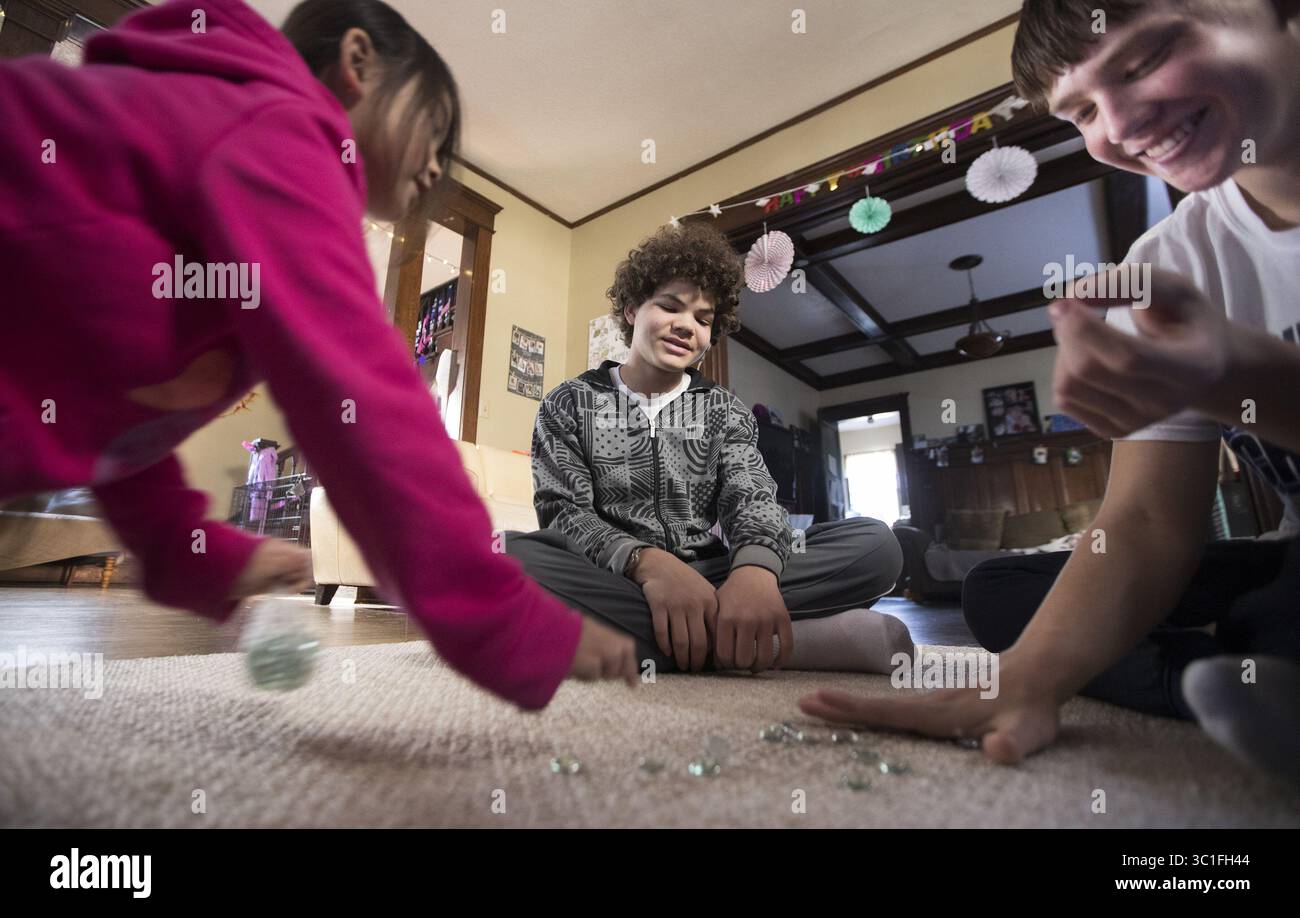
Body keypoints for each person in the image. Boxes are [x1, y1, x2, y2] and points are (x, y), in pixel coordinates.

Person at [0, 0, 637, 709]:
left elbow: (116, 422)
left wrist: (198, 555)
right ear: (357, 62)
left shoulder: (212, 179)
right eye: (436, 128)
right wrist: (501, 616)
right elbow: (359, 386)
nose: (438, 166)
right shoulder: (278, 121)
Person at [801, 0, 1300, 781]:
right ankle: (1234, 676)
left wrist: (1246, 377)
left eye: (1141, 62)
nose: (1123, 124)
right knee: (1003, 592)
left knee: (1267, 614)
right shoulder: (1169, 261)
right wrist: (1028, 681)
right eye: (1081, 112)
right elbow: (1145, 521)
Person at [506, 223, 911, 674]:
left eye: (703, 319)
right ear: (632, 307)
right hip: (619, 579)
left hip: (715, 577)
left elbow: (751, 496)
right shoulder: (568, 403)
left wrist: (754, 573)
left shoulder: (725, 410)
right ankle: (784, 644)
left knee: (877, 544)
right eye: (670, 306)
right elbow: (565, 515)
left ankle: (692, 633)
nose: (686, 326)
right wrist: (648, 563)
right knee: (509, 557)